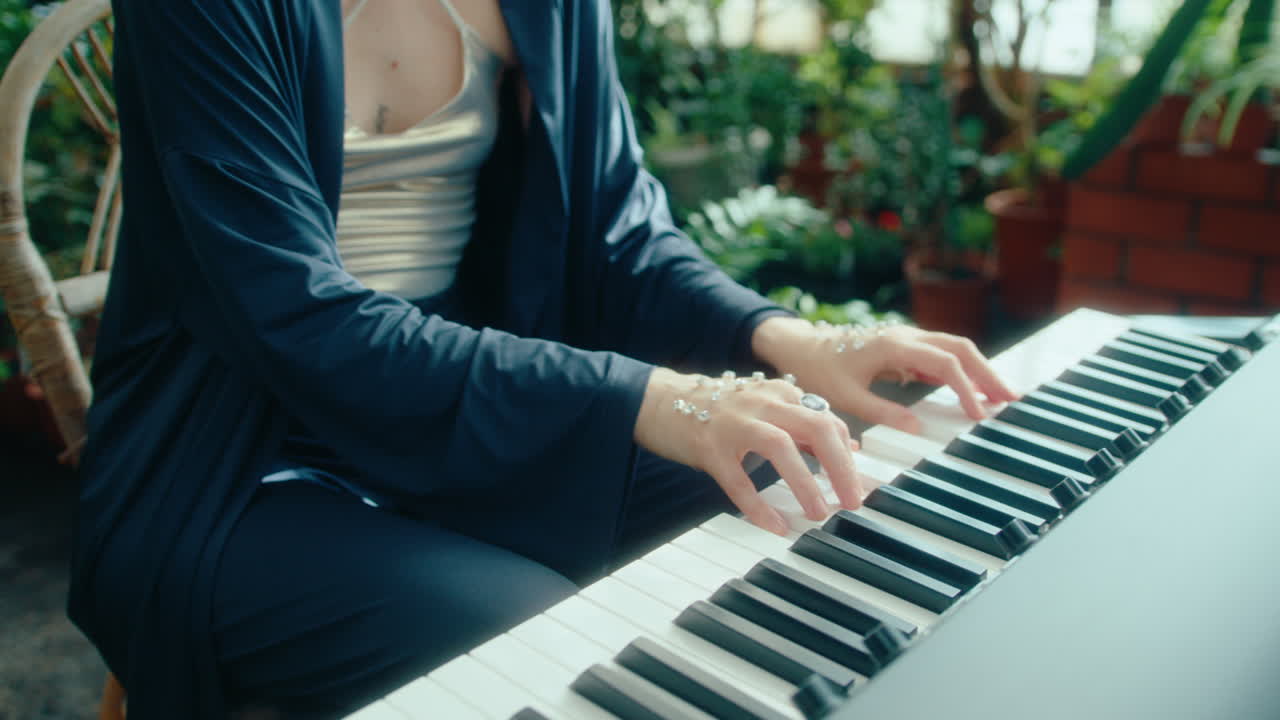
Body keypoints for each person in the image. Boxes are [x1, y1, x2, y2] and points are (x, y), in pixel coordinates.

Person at [69, 1, 1017, 718]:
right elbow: (287, 309)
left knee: (807, 495)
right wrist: (654, 397)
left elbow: (619, 232)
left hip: (466, 415)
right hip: (235, 454)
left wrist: (794, 340)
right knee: (530, 633)